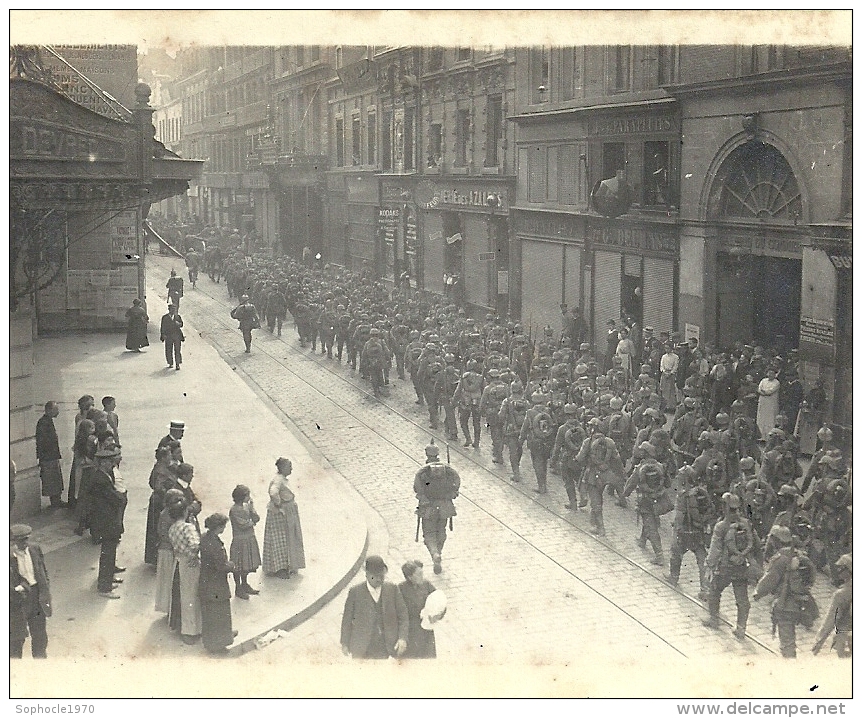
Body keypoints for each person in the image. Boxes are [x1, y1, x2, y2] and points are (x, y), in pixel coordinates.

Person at [703, 492, 762, 640]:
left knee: (714, 591)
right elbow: (756, 544)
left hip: (725, 567)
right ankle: (741, 628)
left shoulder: (721, 526)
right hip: (742, 566)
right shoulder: (746, 523)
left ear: (724, 507)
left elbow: (715, 549)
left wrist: (709, 565)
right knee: (742, 599)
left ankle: (714, 619)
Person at [753, 524, 818, 658]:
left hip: (785, 604)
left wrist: (757, 593)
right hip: (803, 602)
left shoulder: (780, 559)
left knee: (787, 642)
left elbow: (769, 580)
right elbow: (812, 575)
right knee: (790, 638)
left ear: (776, 541)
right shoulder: (800, 555)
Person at [340, 555, 409, 659]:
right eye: (374, 576)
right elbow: (347, 619)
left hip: (388, 646)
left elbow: (403, 615)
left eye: (382, 576)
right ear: (367, 575)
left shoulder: (392, 589)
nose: (379, 579)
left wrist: (402, 638)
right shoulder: (355, 592)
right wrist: (344, 643)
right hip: (363, 648)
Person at [413, 443, 460, 575]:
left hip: (429, 508)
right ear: (438, 454)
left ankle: (434, 554)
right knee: (441, 531)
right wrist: (452, 493)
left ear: (427, 454)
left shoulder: (423, 471)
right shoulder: (447, 469)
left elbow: (417, 488)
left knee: (429, 533)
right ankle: (438, 553)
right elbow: (457, 479)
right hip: (445, 507)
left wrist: (423, 498)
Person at [88, 446, 128, 599]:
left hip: (107, 519)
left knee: (110, 551)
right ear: (102, 463)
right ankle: (104, 586)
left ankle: (109, 577)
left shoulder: (104, 475)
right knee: (108, 552)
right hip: (105, 521)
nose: (112, 464)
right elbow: (114, 497)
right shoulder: (101, 479)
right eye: (109, 461)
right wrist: (122, 497)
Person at [10, 524, 52, 659]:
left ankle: (40, 666)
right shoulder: (9, 557)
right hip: (18, 600)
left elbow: (42, 570)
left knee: (40, 635)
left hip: (37, 596)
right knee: (17, 639)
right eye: (19, 541)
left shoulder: (34, 549)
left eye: (25, 540)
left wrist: (45, 589)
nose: (24, 544)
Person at [199, 513, 239, 654]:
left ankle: (221, 636)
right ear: (219, 527)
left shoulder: (205, 538)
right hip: (216, 584)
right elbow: (221, 566)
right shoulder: (215, 545)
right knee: (220, 613)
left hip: (206, 581)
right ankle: (219, 643)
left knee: (211, 614)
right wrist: (232, 565)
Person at [262, 457, 306, 578]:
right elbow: (273, 492)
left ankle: (287, 564)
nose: (291, 469)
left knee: (288, 538)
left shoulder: (282, 479)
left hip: (288, 511)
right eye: (289, 466)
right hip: (281, 514)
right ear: (282, 468)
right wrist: (279, 504)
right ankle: (279, 568)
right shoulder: (278, 480)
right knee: (280, 540)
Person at [168, 495, 203, 644]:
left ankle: (186, 628)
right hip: (190, 564)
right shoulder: (188, 527)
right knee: (192, 596)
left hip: (179, 562)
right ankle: (191, 630)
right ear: (184, 512)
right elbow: (195, 545)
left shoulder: (172, 528)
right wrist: (193, 556)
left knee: (184, 595)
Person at [144, 446, 180, 566]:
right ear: (164, 457)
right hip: (160, 503)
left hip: (160, 501)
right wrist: (169, 496)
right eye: (169, 455)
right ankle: (156, 558)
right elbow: (158, 487)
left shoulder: (163, 467)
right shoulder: (160, 470)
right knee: (158, 530)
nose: (171, 456)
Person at [398, 560, 440, 658]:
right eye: (418, 574)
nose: (422, 576)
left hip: (427, 630)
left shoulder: (426, 585)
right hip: (411, 632)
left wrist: (436, 615)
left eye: (422, 573)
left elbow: (439, 600)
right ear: (410, 577)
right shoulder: (400, 589)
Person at [812, 553, 852, 658]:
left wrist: (818, 642)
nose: (838, 571)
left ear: (849, 571)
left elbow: (830, 620)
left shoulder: (842, 594)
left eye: (841, 568)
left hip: (847, 638)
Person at [155, 489, 186, 616]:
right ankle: (169, 608)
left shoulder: (167, 513)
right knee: (169, 579)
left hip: (168, 549)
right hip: (167, 551)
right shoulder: (166, 516)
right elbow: (163, 534)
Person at [229, 484, 261, 599]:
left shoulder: (247, 507)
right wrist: (252, 522)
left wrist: (252, 508)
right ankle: (238, 588)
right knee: (238, 565)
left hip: (248, 538)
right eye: (248, 495)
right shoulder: (234, 510)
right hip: (240, 541)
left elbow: (257, 518)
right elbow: (243, 525)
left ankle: (245, 584)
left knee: (246, 564)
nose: (249, 497)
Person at [36, 401, 66, 509]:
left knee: (55, 479)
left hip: (51, 456)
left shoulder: (47, 421)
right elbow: (44, 442)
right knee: (52, 479)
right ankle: (55, 502)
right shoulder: (44, 423)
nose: (58, 412)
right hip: (48, 457)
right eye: (56, 409)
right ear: (49, 410)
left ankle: (56, 501)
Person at [756, 369, 781, 441]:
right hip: (763, 402)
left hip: (771, 403)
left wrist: (765, 392)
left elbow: (770, 391)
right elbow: (759, 389)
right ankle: (761, 436)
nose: (770, 375)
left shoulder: (776, 382)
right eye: (769, 373)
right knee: (761, 418)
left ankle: (769, 437)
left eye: (772, 373)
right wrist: (763, 392)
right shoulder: (763, 380)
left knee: (770, 419)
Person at [160, 303, 184, 370]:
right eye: (172, 309)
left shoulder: (178, 317)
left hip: (177, 336)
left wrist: (178, 324)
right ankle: (170, 363)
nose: (173, 311)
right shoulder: (165, 317)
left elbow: (181, 324)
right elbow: (162, 327)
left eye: (174, 310)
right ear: (169, 310)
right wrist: (163, 334)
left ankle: (177, 364)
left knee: (177, 350)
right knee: (168, 350)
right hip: (168, 336)